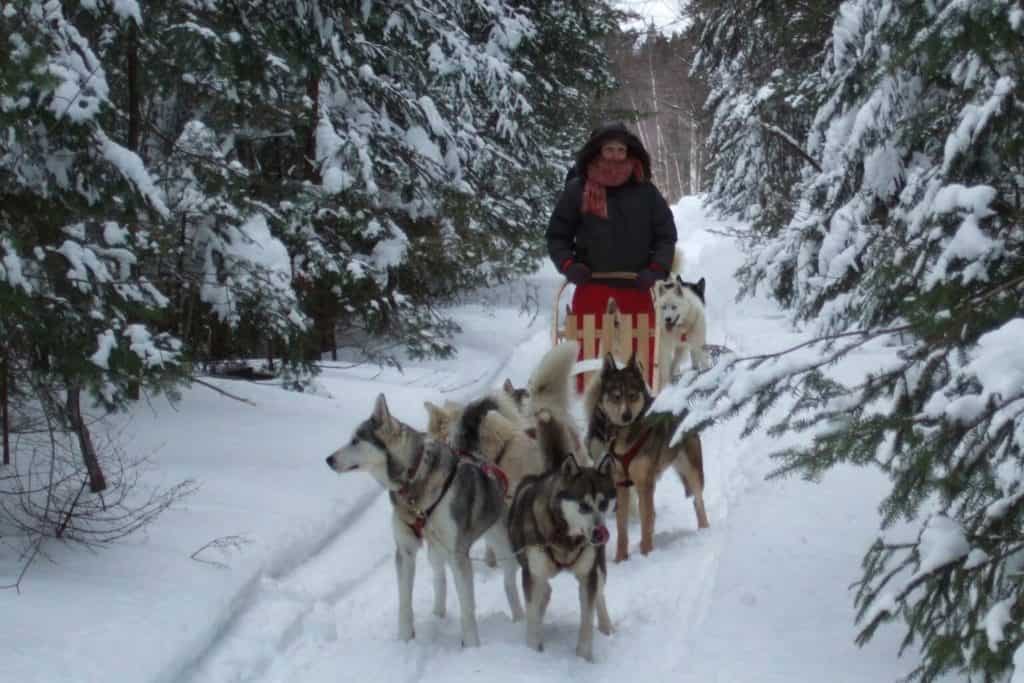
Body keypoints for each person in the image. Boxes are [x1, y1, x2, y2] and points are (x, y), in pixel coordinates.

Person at [547, 122, 677, 390]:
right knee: (586, 350)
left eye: (621, 150)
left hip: (636, 283)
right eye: (609, 149)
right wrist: (569, 265)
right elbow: (557, 236)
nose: (616, 156)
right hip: (591, 282)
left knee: (642, 352)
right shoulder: (577, 190)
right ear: (597, 151)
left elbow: (666, 236)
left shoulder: (646, 192)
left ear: (630, 152)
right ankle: (586, 398)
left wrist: (656, 269)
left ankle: (642, 397)